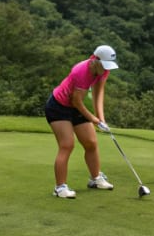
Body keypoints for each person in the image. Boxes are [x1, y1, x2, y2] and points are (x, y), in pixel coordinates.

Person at [46, 44, 120, 198]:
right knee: (67, 145)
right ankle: (60, 188)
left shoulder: (102, 71)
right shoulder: (81, 71)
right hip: (58, 106)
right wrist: (93, 119)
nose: (106, 69)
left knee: (91, 142)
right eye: (104, 65)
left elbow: (98, 94)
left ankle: (95, 179)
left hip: (74, 107)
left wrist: (101, 119)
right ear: (95, 60)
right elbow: (76, 101)